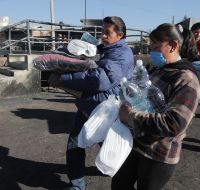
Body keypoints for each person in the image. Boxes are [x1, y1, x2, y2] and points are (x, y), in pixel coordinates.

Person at [112, 23, 200, 190]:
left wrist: (130, 117)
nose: (151, 49)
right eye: (150, 44)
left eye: (156, 45)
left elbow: (174, 123)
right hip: (136, 144)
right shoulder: (158, 69)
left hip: (158, 154)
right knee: (119, 184)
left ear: (173, 45)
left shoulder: (186, 79)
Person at [50, 16, 134, 190]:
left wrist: (63, 79)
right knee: (75, 145)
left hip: (105, 111)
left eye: (107, 33)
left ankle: (124, 179)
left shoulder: (122, 54)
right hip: (87, 106)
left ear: (120, 36)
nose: (103, 35)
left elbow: (99, 79)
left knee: (112, 149)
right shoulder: (103, 49)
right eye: (102, 31)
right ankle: (77, 184)